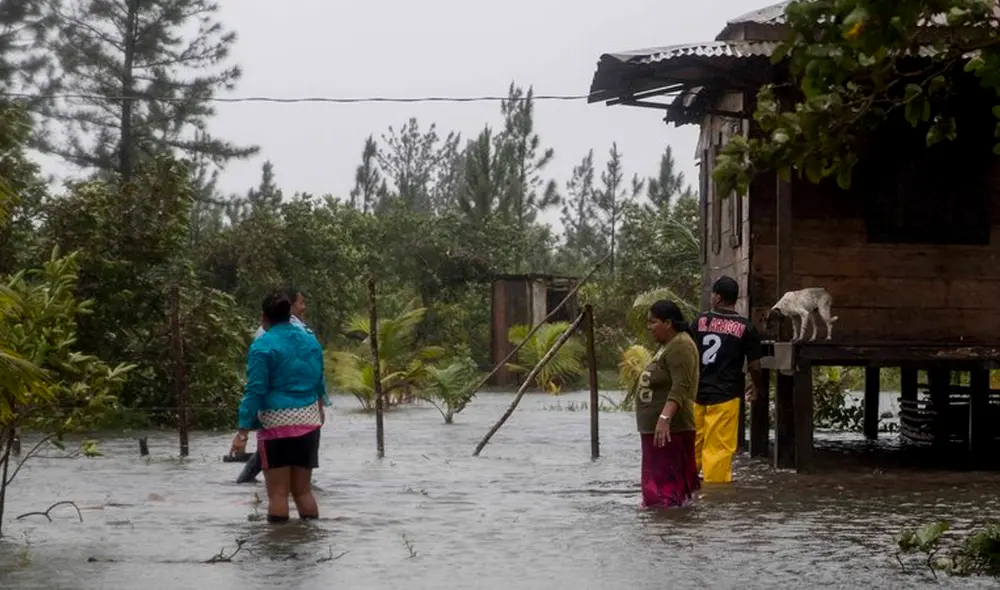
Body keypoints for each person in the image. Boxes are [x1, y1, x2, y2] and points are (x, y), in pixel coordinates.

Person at [230, 290, 331, 523]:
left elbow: (255, 390)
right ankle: (311, 546)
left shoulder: (262, 346)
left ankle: (277, 553)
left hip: (276, 425)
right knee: (304, 491)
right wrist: (320, 406)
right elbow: (319, 379)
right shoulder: (310, 340)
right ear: (289, 314)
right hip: (308, 422)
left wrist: (242, 431)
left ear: (264, 316)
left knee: (277, 494)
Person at [692, 276, 764, 484]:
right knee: (718, 451)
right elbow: (755, 365)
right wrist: (757, 387)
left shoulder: (700, 321)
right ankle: (715, 501)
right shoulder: (745, 327)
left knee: (693, 444)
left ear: (717, 297)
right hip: (726, 396)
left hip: (697, 394)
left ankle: (685, 492)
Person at [633, 299, 701, 509]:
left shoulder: (681, 345)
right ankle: (667, 528)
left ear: (668, 322)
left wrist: (664, 419)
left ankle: (669, 532)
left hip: (671, 430)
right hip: (658, 431)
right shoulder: (669, 345)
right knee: (659, 490)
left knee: (666, 493)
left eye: (653, 322)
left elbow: (681, 387)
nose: (649, 327)